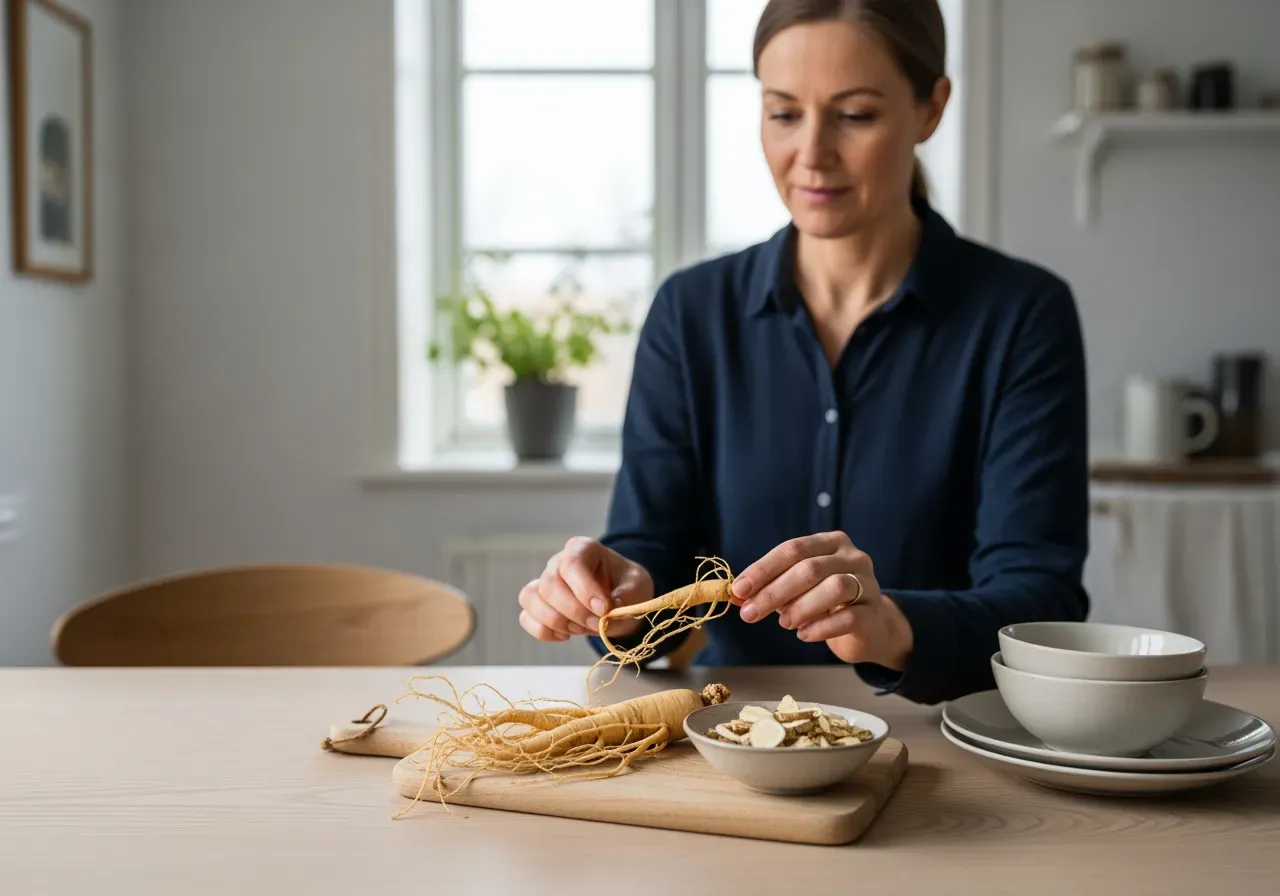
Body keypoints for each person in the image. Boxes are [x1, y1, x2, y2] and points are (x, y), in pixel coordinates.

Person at [516, 0, 1090, 706]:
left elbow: (1041, 601)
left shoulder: (1022, 316)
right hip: (732, 737)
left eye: (854, 115)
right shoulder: (691, 314)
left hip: (950, 741)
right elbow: (653, 573)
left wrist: (891, 626)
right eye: (784, 113)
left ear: (931, 108)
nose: (811, 153)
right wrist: (619, 592)